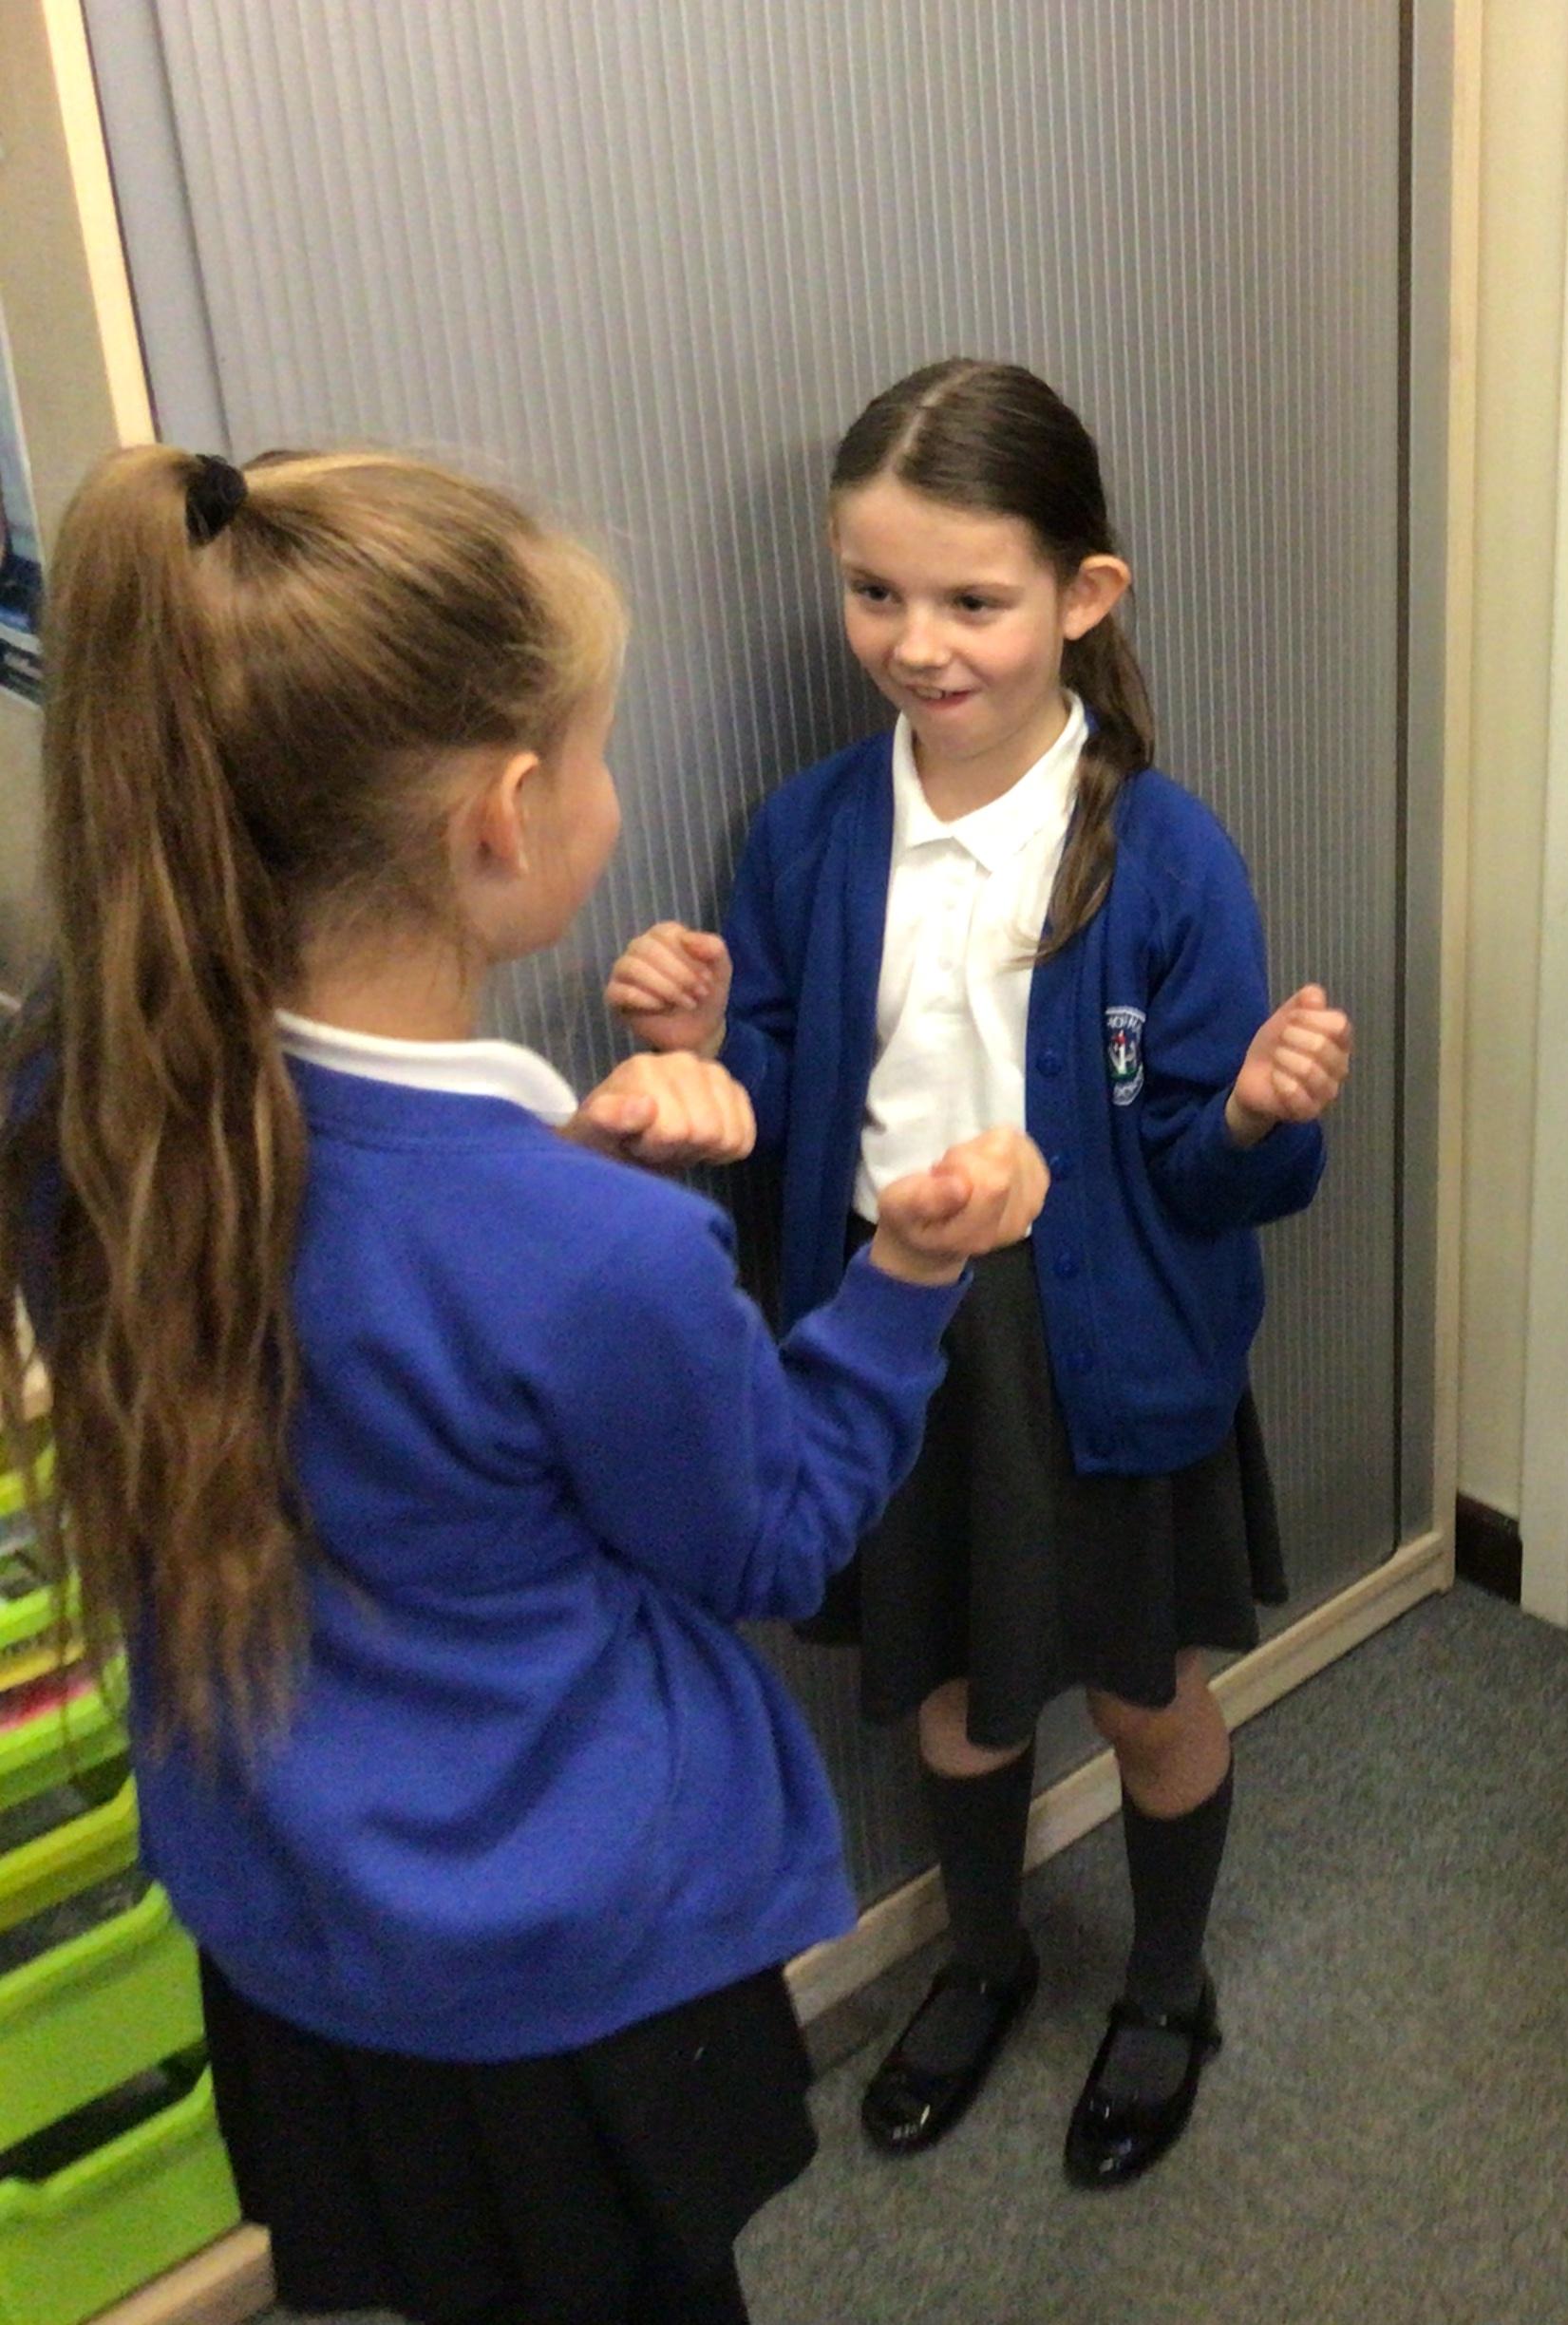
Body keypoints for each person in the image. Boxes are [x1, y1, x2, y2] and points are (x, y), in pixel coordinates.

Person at [0, 445, 1043, 2325]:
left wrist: (558, 1176)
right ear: (502, 815)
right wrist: (906, 1278)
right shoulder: (595, 1257)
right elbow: (773, 1536)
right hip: (567, 1979)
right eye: (595, 751)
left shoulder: (79, 1115)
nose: (612, 795)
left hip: (297, 1939)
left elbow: (366, 1334)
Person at [610, 359, 1351, 2185]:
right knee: (947, 1690)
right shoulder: (806, 832)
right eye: (874, 591)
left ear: (1082, 596)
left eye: (970, 598)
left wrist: (1253, 1110)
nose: (915, 641)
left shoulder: (1160, 852)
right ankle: (988, 1950)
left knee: (1142, 1691)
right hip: (886, 1333)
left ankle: (1165, 1983)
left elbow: (1207, 1178)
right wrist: (705, 1052)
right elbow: (777, 1102)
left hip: (1097, 1348)